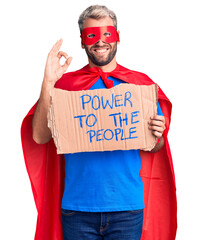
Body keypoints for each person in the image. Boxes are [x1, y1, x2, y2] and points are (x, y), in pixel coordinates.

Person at [21, 5, 177, 240]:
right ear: (83, 41)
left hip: (127, 207)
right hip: (77, 209)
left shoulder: (139, 87)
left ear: (118, 37)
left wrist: (158, 135)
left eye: (107, 34)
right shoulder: (65, 86)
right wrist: (48, 82)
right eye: (91, 35)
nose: (100, 42)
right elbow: (40, 136)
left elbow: (154, 146)